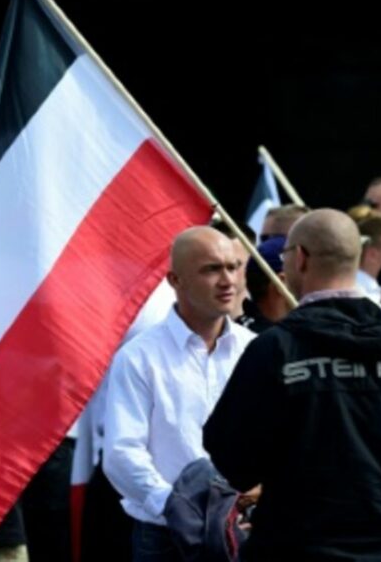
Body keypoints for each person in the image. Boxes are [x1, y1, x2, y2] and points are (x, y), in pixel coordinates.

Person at [203, 209, 381, 561]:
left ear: (301, 258)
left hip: (299, 547)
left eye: (287, 254)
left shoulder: (275, 350)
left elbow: (232, 459)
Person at [103, 226, 255, 561]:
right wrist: (175, 507)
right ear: (175, 280)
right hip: (166, 538)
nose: (228, 280)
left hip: (245, 529)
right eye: (211, 269)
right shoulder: (139, 357)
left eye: (232, 266)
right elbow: (121, 452)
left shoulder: (254, 349)